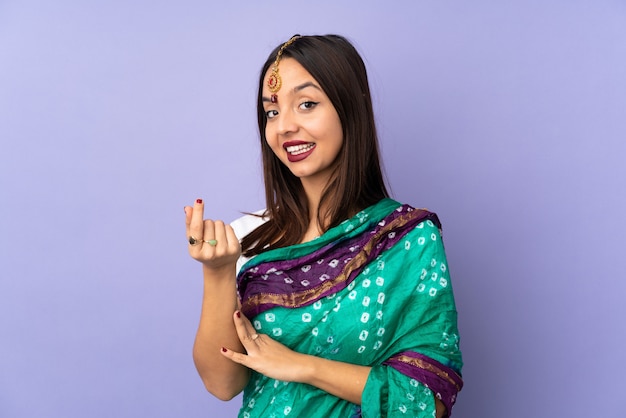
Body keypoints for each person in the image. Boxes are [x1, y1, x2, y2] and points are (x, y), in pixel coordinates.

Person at [184, 34, 463, 418]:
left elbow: (428, 402)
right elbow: (222, 383)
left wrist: (305, 368)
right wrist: (217, 273)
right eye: (272, 112)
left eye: (307, 104)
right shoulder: (249, 235)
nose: (284, 127)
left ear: (350, 108)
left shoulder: (406, 239)